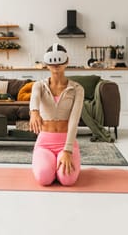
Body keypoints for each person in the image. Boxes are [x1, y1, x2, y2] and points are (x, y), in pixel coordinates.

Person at [29, 43, 84, 186]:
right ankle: (48, 166)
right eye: (52, 62)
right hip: (44, 143)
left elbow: (74, 120)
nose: (56, 65)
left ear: (67, 61)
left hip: (66, 141)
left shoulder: (77, 89)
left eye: (60, 60)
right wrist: (34, 112)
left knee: (68, 180)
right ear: (47, 63)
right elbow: (34, 97)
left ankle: (58, 167)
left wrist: (68, 149)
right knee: (44, 179)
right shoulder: (39, 86)